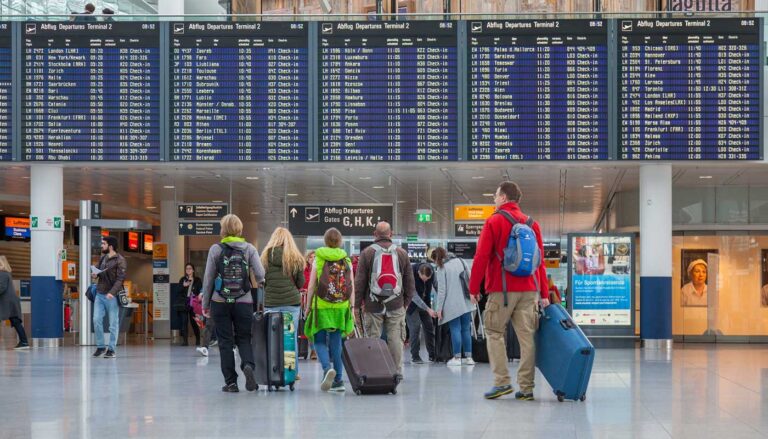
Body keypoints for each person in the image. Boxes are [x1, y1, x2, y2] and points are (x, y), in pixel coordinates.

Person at [469, 181, 549, 401]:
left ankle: (502, 382)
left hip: (501, 290)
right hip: (529, 290)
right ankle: (526, 388)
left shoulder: (494, 221)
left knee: (494, 333)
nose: (494, 199)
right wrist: (544, 293)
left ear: (503, 197)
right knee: (527, 338)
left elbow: (481, 257)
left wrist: (474, 288)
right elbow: (540, 263)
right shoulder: (532, 224)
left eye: (495, 196)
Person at [202, 214, 265, 393]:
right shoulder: (249, 248)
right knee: (244, 338)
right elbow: (261, 275)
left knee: (225, 342)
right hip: (244, 301)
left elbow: (208, 279)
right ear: (239, 229)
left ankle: (231, 383)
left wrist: (205, 304)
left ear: (223, 229)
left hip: (220, 301)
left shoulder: (215, 249)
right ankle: (248, 365)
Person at [354, 222, 415, 377]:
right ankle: (396, 373)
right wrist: (406, 303)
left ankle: (373, 372)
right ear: (391, 234)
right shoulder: (401, 253)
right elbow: (409, 282)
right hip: (396, 303)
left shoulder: (367, 253)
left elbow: (360, 281)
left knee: (372, 338)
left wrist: (357, 305)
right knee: (395, 338)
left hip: (372, 304)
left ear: (375, 234)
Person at [304, 228, 355, 392]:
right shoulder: (346, 259)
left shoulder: (318, 259)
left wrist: (307, 307)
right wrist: (352, 307)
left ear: (325, 241)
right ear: (340, 241)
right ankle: (338, 381)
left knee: (318, 341)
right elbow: (351, 286)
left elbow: (311, 286)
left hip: (322, 306)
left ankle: (327, 369)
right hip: (341, 307)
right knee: (336, 343)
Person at [261, 227, 305, 375]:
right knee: (290, 338)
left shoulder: (265, 257)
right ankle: (292, 372)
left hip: (271, 303)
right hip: (291, 303)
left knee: (272, 338)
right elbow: (300, 283)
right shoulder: (295, 257)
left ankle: (273, 372)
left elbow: (262, 280)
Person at [432, 247, 475, 367]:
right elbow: (471, 278)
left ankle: (457, 358)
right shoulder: (461, 261)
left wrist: (439, 309)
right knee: (466, 329)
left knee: (455, 329)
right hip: (466, 302)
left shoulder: (442, 268)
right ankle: (469, 358)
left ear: (436, 258)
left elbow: (442, 291)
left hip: (452, 305)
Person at [92, 236, 127, 359]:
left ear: (110, 246)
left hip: (112, 296)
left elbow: (120, 279)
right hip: (100, 294)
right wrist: (95, 274)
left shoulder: (120, 260)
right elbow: (97, 271)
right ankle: (101, 346)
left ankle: (111, 349)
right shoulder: (103, 258)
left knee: (113, 324)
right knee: (96, 320)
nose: (102, 246)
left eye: (104, 244)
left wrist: (112, 292)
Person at [406, 262, 438, 364]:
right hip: (412, 305)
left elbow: (437, 286)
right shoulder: (410, 272)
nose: (425, 281)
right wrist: (428, 309)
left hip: (426, 302)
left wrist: (441, 304)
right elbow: (414, 295)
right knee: (415, 328)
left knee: (429, 327)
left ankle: (432, 355)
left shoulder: (432, 271)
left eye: (427, 279)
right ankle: (415, 356)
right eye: (423, 279)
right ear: (419, 273)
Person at [0, 256, 29, 350]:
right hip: (10, 303)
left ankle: (24, 342)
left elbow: (1, 287)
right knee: (16, 322)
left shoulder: (2, 274)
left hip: (8, 303)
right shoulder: (6, 273)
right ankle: (24, 342)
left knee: (16, 321)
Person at [178, 263, 202, 347]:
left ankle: (198, 340)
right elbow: (178, 291)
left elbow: (200, 291)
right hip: (184, 303)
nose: (188, 270)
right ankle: (185, 341)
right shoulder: (183, 279)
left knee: (194, 322)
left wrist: (196, 296)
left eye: (190, 268)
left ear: (193, 270)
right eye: (187, 269)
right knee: (184, 322)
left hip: (193, 303)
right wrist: (183, 286)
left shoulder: (197, 280)